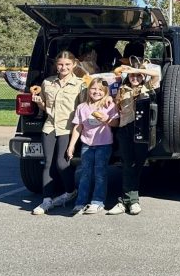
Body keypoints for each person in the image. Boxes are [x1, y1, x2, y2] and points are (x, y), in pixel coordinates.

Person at [30, 51, 85, 215]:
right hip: (50, 126)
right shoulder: (48, 82)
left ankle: (70, 191)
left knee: (62, 163)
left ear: (74, 64)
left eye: (67, 64)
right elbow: (46, 106)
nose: (64, 67)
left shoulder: (80, 84)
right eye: (61, 64)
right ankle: (46, 200)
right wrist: (39, 103)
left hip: (68, 128)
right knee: (47, 163)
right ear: (56, 64)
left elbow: (83, 108)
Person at [107, 62, 161, 215]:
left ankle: (126, 201)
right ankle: (132, 201)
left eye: (138, 76)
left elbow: (156, 75)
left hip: (141, 129)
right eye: (132, 76)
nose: (135, 78)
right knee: (127, 163)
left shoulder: (147, 87)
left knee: (137, 163)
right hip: (124, 128)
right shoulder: (121, 89)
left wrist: (136, 69)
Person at [65, 79, 119, 214]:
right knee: (85, 174)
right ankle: (81, 202)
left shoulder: (109, 106)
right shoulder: (82, 107)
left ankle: (97, 202)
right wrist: (71, 146)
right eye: (94, 88)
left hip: (104, 144)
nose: (97, 92)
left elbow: (117, 123)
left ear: (105, 92)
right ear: (88, 90)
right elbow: (78, 127)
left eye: (100, 90)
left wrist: (106, 120)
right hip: (87, 145)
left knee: (100, 174)